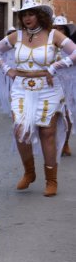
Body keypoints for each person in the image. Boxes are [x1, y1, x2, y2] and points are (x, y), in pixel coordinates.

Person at [0, 0, 76, 197]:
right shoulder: (17, 37)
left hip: (48, 88)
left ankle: (51, 180)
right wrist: (6, 69)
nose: (27, 18)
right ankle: (29, 173)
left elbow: (74, 53)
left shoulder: (53, 35)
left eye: (31, 13)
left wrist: (55, 66)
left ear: (41, 15)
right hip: (21, 87)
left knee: (47, 132)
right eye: (24, 14)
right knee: (21, 130)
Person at [52, 16, 76, 157]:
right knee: (54, 116)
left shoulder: (71, 45)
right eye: (55, 28)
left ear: (66, 30)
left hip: (70, 84)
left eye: (61, 28)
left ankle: (65, 142)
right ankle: (53, 142)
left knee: (68, 116)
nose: (58, 31)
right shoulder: (47, 46)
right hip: (53, 84)